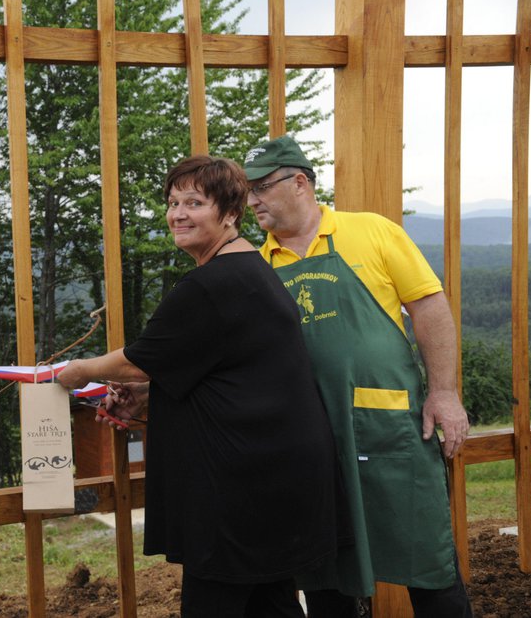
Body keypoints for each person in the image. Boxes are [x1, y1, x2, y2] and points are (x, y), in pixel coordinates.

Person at [57, 156, 348, 618]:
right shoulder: (249, 270)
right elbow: (227, 366)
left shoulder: (212, 285)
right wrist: (153, 393)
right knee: (270, 603)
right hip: (272, 478)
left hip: (238, 492)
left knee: (216, 603)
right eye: (173, 202)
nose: (178, 214)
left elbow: (140, 358)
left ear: (229, 213)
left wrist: (78, 370)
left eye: (194, 202)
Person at [242, 135, 473, 617]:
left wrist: (445, 393)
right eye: (248, 191)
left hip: (391, 429)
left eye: (261, 188)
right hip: (309, 443)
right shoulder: (255, 264)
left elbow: (429, 307)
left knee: (429, 564)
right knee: (326, 576)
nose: (252, 201)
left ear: (300, 182)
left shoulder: (372, 232)